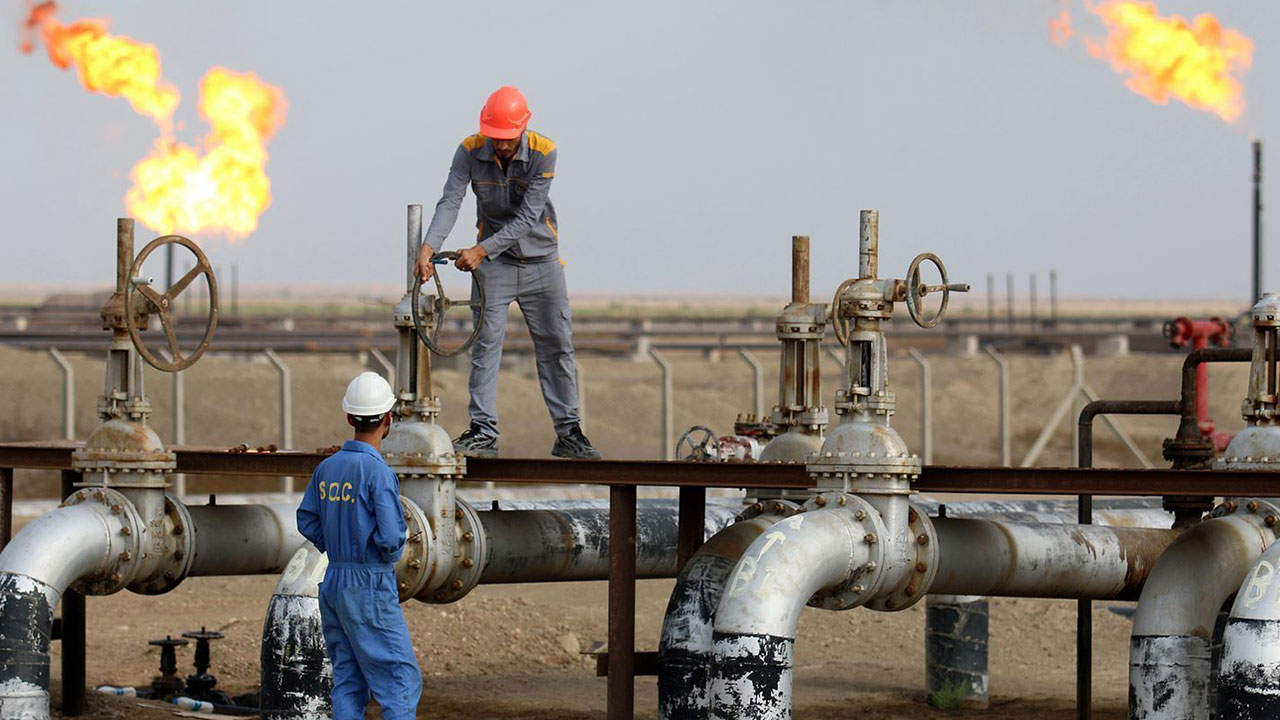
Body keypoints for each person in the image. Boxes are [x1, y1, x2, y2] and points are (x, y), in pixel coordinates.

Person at [416, 85, 601, 460]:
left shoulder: (544, 152)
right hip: (495, 267)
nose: (501, 145)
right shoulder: (469, 150)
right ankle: (483, 431)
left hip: (541, 262)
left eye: (508, 138)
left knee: (556, 346)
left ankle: (569, 433)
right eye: (495, 137)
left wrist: (481, 250)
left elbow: (528, 217)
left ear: (523, 128)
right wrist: (429, 245)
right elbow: (451, 200)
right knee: (485, 347)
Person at [297, 372, 421, 719]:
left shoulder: (327, 469)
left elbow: (306, 519)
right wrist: (379, 555)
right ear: (388, 420)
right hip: (369, 584)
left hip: (335, 583)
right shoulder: (378, 472)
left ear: (349, 418)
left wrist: (338, 548)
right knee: (398, 681)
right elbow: (392, 537)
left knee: (349, 680)